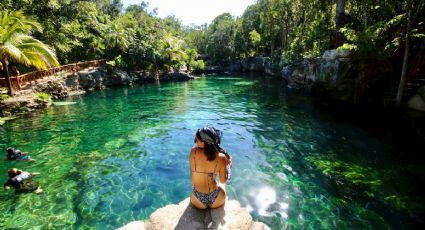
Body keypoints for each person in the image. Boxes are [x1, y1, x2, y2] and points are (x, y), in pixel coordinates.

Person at [189, 126, 232, 209]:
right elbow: (223, 181)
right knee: (221, 183)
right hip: (217, 200)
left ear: (204, 142)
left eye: (197, 140)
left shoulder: (193, 152)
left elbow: (192, 179)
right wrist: (228, 166)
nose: (195, 141)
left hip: (197, 201)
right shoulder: (221, 157)